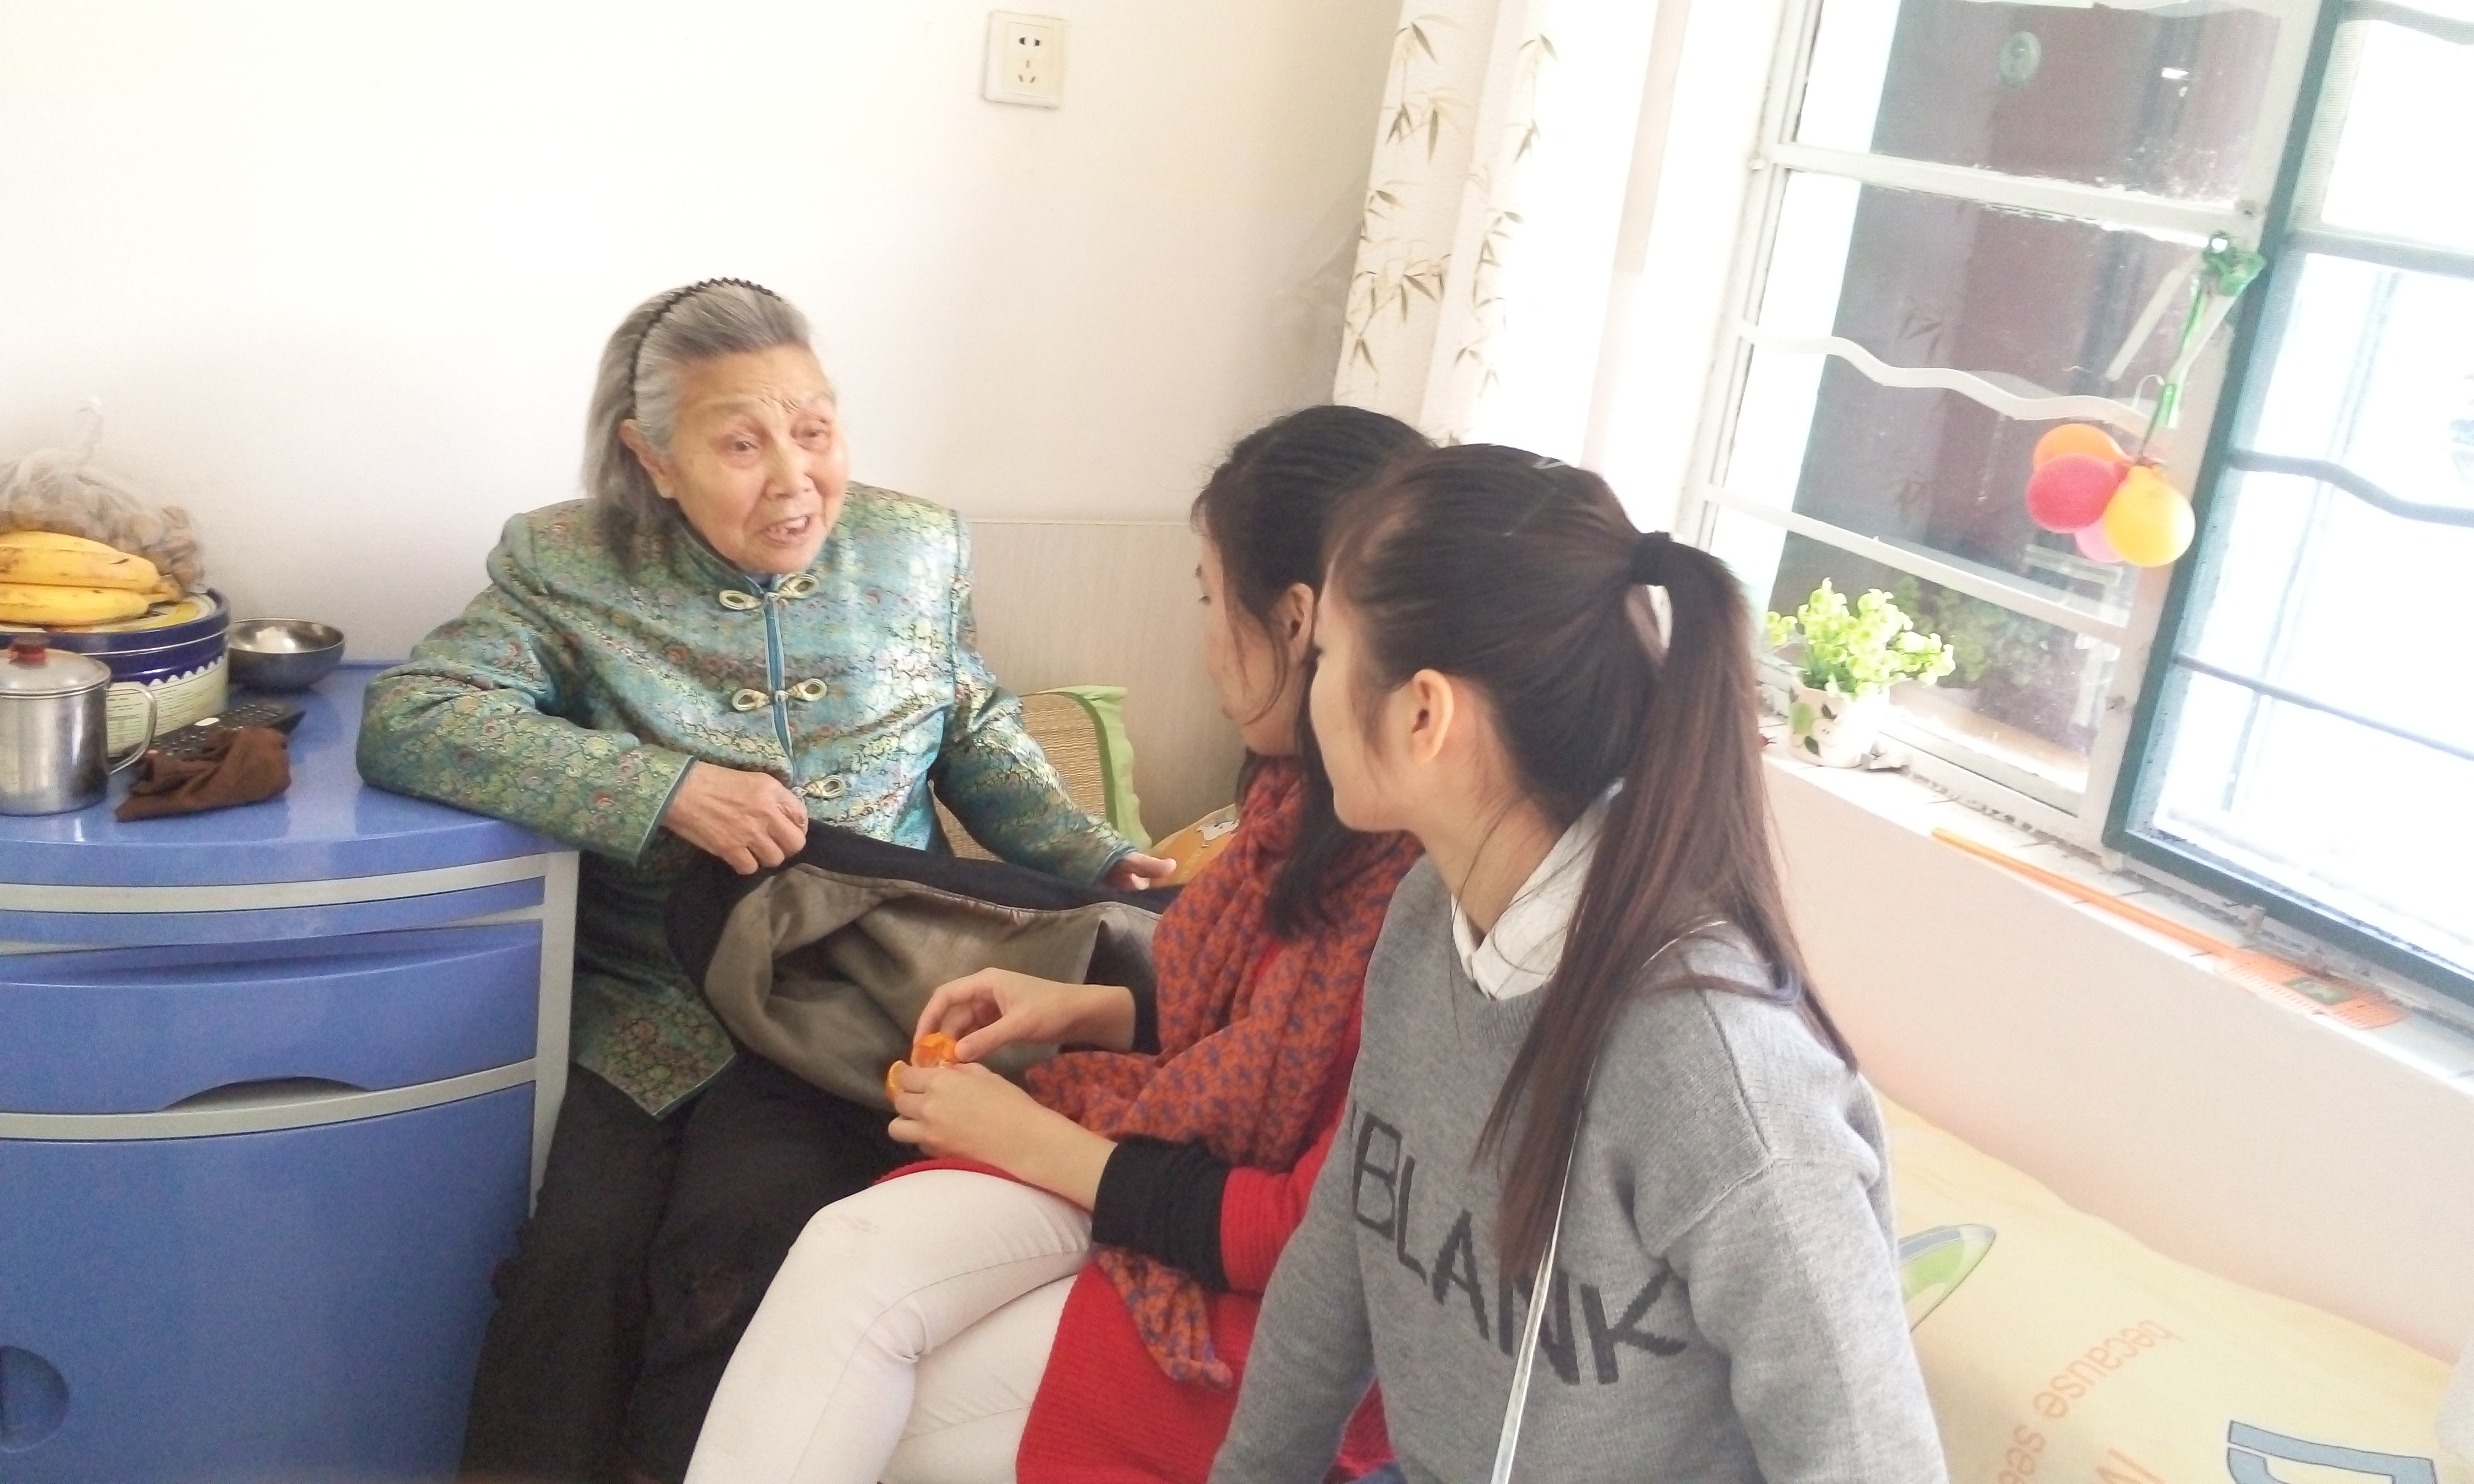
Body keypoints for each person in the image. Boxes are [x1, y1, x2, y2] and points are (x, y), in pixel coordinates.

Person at [357, 278, 1170, 1484]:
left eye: (815, 429)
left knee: (738, 1244)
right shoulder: (571, 563)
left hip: (860, 985)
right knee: (578, 1259)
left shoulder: (916, 545)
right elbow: (414, 715)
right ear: (653, 457)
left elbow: (973, 729)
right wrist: (662, 786)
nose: (795, 478)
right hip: (655, 998)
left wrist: (1096, 855)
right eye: (741, 444)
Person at [683, 405, 1432, 1484]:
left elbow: (1303, 1227)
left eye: (1207, 596)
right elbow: (1271, 1027)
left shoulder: (1414, 893)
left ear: (1300, 620)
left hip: (1257, 1281)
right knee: (844, 1265)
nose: (1203, 634)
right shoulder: (1297, 800)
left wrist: (1023, 1136)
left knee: (874, 1401)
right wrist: (1098, 1011)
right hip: (1176, 1144)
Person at [1209, 447, 1948, 1483]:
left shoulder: (1714, 1074)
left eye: (1325, 653)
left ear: (1424, 715)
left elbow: (1872, 1459)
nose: (1310, 688)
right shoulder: (1426, 916)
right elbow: (1337, 1260)